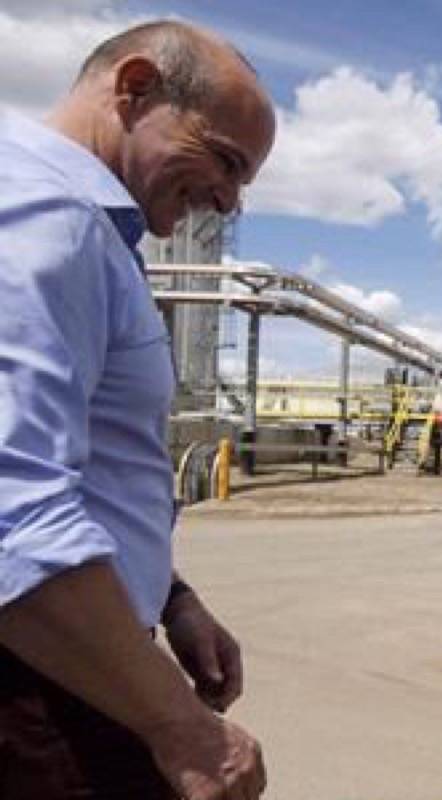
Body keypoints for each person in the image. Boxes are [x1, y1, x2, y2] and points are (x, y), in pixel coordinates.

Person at [0, 20, 275, 800]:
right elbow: (10, 507)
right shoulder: (54, 220)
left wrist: (171, 596)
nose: (228, 197)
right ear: (135, 88)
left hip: (72, 662)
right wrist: (183, 731)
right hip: (48, 689)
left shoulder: (74, 228)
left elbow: (75, 465)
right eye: (226, 160)